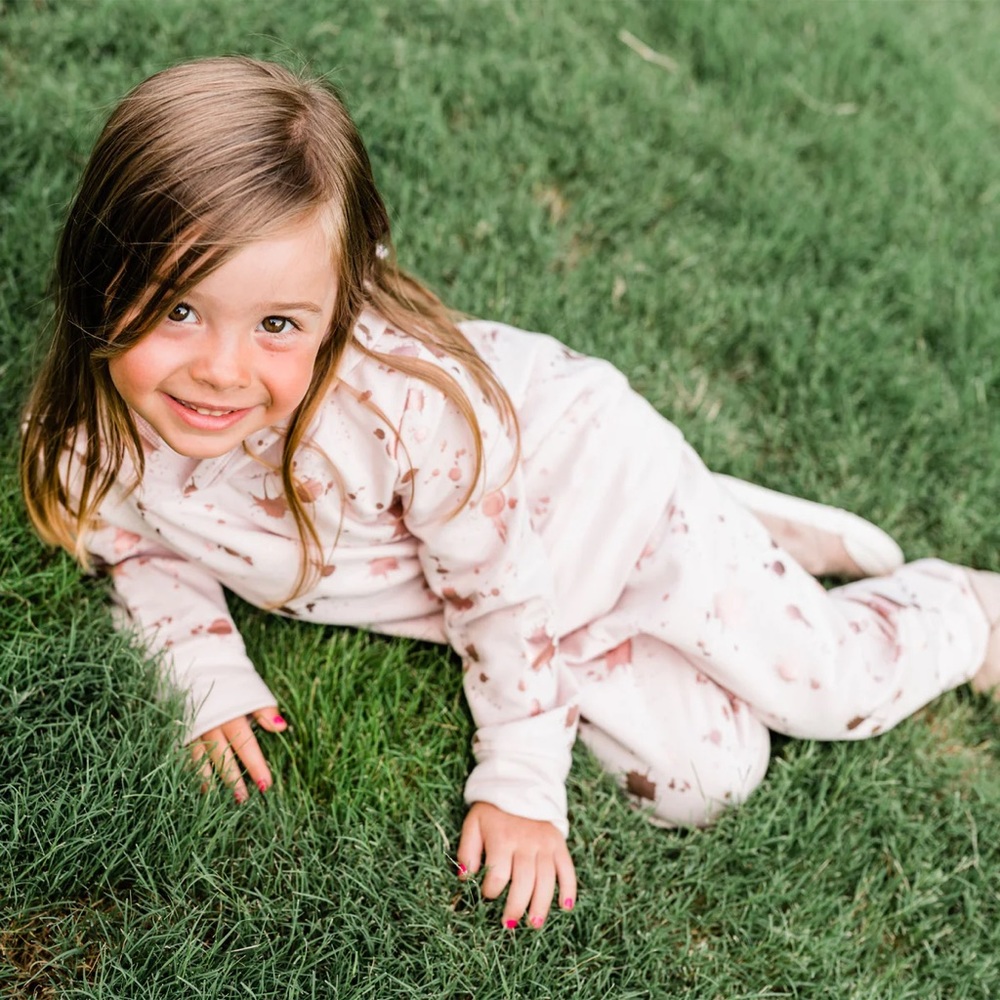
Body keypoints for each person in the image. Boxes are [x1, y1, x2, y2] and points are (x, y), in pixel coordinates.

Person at [19, 56, 1000, 932]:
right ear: (99, 270)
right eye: (179, 307)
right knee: (704, 782)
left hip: (600, 499)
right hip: (527, 576)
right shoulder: (82, 443)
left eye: (277, 324)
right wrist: (207, 669)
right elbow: (138, 543)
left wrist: (522, 780)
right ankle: (745, 525)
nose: (221, 370)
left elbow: (494, 587)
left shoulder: (400, 414)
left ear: (338, 307)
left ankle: (962, 608)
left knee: (827, 687)